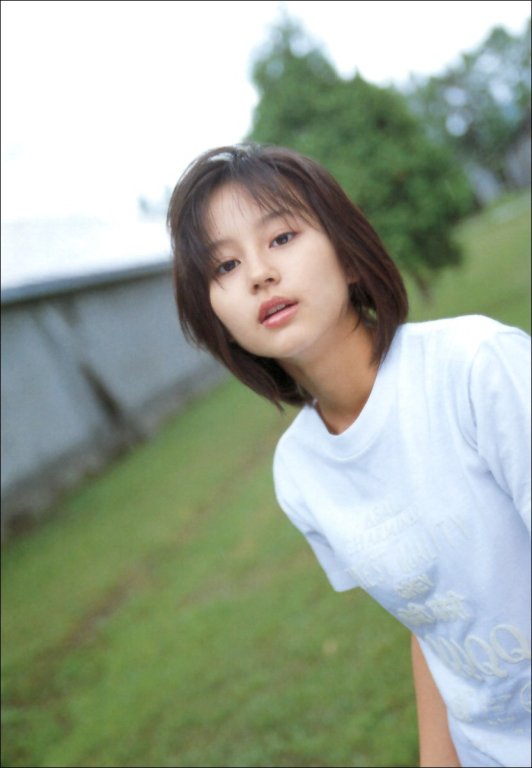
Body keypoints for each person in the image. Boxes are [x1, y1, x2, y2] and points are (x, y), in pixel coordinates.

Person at [167, 143, 531, 768]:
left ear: (350, 255)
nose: (259, 274)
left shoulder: (476, 365)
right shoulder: (298, 473)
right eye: (225, 265)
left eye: (282, 237)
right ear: (216, 317)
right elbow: (433, 622)